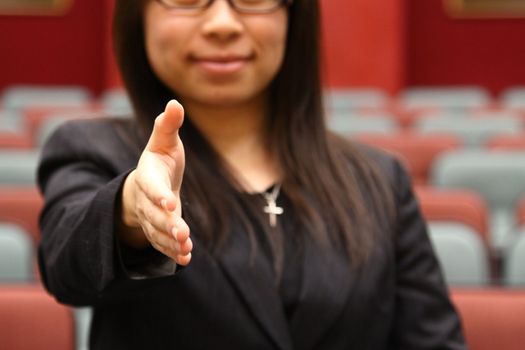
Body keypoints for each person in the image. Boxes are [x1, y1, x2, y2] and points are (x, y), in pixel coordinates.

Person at [37, 0, 467, 349]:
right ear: (139, 15)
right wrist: (132, 211)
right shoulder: (92, 149)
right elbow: (66, 264)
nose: (222, 22)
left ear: (293, 16)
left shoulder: (379, 179)